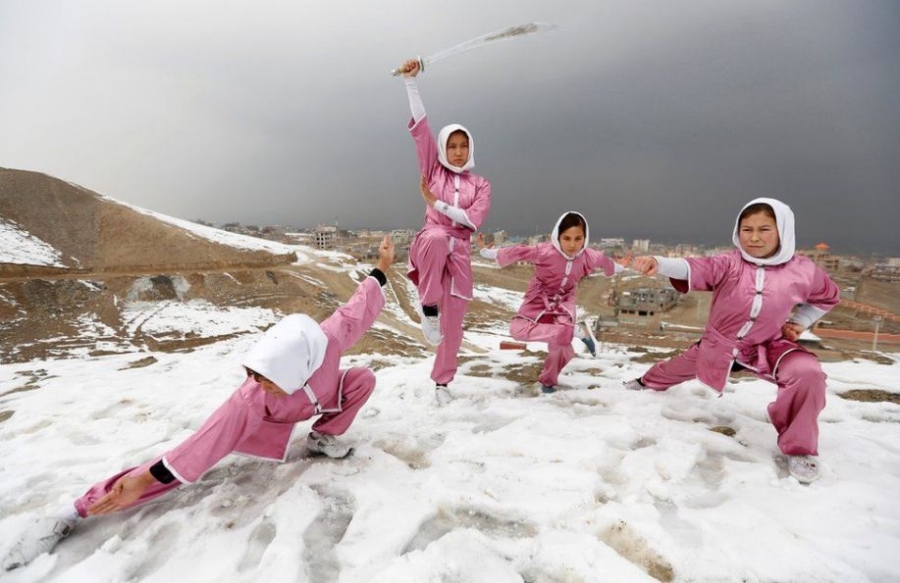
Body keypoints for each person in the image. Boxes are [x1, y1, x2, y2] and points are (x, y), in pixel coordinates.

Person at [3, 237, 396, 571]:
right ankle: (69, 513)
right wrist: (135, 481)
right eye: (254, 372)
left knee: (363, 378)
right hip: (269, 422)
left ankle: (323, 439)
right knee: (196, 457)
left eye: (265, 376)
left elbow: (359, 306)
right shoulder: (251, 397)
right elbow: (194, 451)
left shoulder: (325, 341)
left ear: (297, 366)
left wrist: (382, 265)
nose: (255, 381)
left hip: (318, 402)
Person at [623, 198, 839, 484]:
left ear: (783, 232)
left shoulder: (803, 270)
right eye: (747, 229)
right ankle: (646, 382)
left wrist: (800, 321)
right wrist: (658, 263)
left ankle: (799, 449)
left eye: (764, 229)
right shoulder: (729, 263)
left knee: (808, 374)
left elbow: (828, 296)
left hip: (768, 347)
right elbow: (693, 268)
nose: (754, 237)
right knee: (673, 369)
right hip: (719, 346)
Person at [398, 58, 492, 405]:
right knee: (438, 237)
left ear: (469, 149)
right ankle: (427, 307)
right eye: (451, 146)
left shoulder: (481, 184)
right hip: (431, 243)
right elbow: (421, 129)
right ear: (443, 149)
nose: (456, 151)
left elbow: (472, 220)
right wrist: (410, 82)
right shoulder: (432, 170)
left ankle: (442, 384)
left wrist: (436, 204)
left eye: (462, 146)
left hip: (461, 256)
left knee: (453, 328)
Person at [477, 211, 623, 393]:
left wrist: (622, 266)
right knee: (517, 331)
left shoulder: (589, 256)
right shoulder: (544, 251)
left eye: (578, 239)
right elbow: (518, 252)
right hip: (538, 298)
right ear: (558, 236)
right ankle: (578, 331)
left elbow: (605, 262)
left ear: (585, 238)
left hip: (565, 301)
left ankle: (548, 381)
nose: (572, 244)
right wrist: (485, 251)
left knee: (560, 345)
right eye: (566, 238)